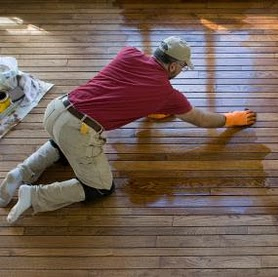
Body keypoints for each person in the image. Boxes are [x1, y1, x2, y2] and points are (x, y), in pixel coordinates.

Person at [0, 36, 256, 223]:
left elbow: (124, 88)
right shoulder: (167, 93)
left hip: (57, 109)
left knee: (62, 145)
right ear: (173, 67)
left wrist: (151, 107)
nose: (181, 72)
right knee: (100, 188)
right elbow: (200, 120)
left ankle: (21, 172)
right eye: (182, 67)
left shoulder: (129, 53)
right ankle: (33, 195)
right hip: (78, 129)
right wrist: (230, 119)